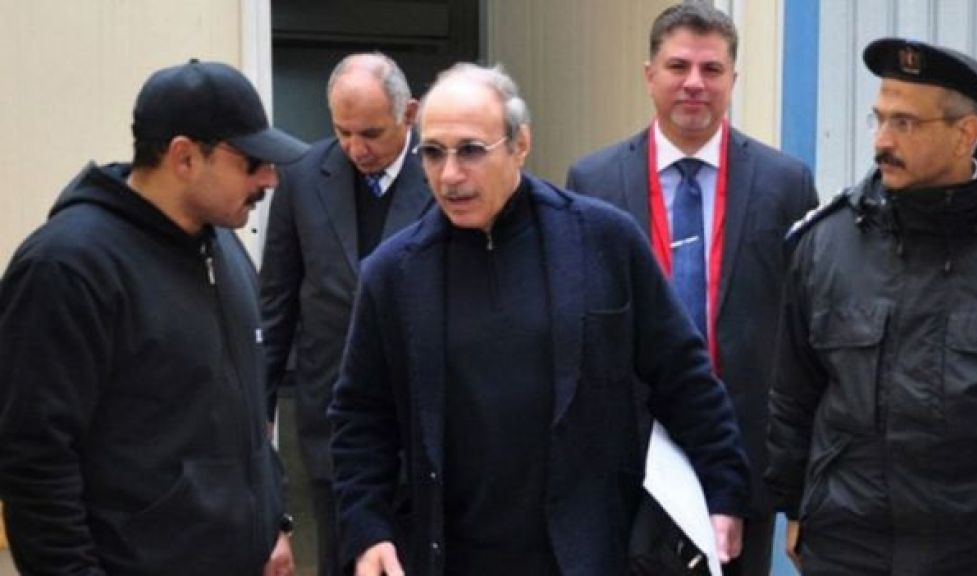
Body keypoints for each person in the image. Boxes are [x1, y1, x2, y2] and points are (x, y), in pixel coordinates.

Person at [328, 61, 750, 576]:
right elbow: (360, 418)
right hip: (451, 554)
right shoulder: (393, 274)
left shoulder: (603, 241)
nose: (450, 174)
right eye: (434, 153)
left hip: (586, 552)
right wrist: (368, 529)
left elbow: (682, 375)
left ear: (519, 145)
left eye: (470, 150)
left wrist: (723, 489)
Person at [0, 59, 308, 575]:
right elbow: (35, 464)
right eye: (252, 162)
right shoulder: (67, 268)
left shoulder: (224, 249)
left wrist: (273, 521)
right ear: (184, 157)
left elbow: (242, 413)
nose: (270, 178)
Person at [565, 2, 818, 574]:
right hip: (630, 451)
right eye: (678, 66)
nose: (694, 83)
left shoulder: (784, 183)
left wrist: (797, 478)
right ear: (649, 74)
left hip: (741, 454)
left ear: (734, 78)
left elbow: (804, 334)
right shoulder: (594, 181)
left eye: (712, 69)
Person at [765, 38, 977, 575]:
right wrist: (794, 506)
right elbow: (794, 394)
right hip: (852, 544)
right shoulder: (829, 244)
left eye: (905, 123)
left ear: (965, 134)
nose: (882, 140)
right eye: (879, 119)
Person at [260, 52, 432, 575]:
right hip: (332, 423)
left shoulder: (444, 174)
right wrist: (256, 416)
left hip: (424, 426)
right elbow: (275, 306)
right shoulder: (301, 176)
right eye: (343, 132)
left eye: (371, 133)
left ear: (409, 114)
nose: (357, 148)